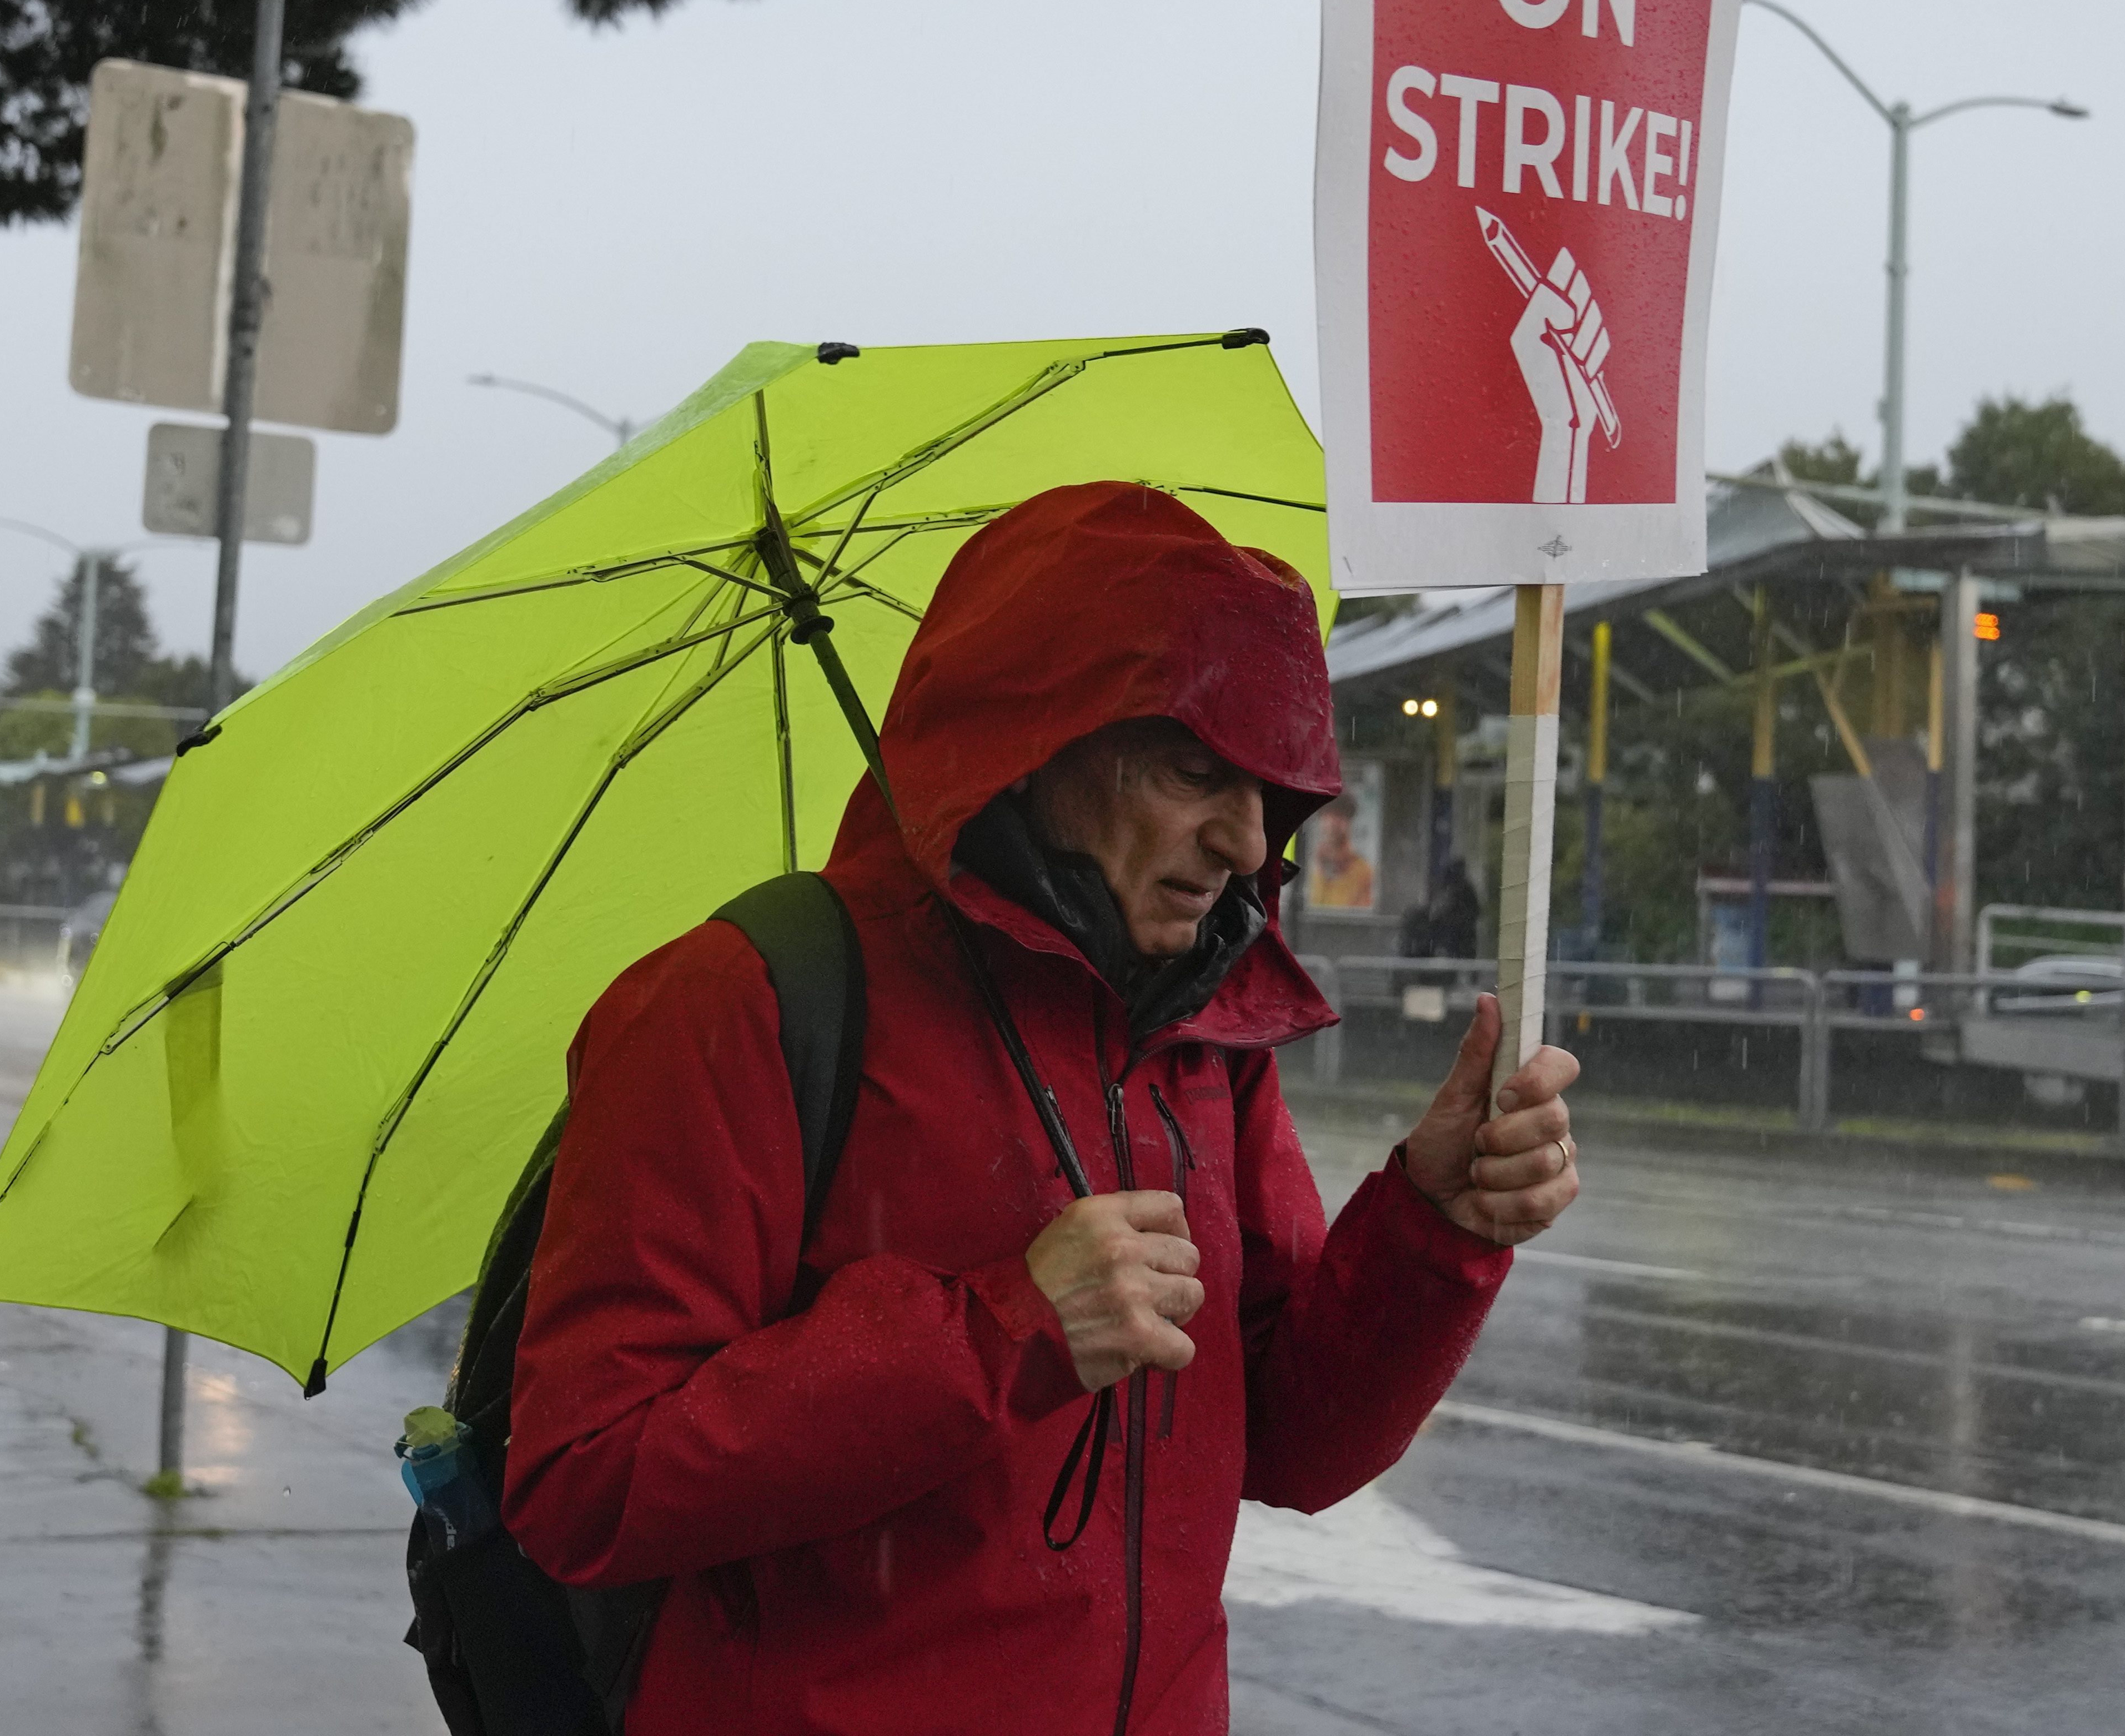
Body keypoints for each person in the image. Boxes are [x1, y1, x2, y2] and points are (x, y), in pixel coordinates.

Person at [503, 484, 1583, 1735]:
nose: (1245, 841)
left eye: (1277, 796)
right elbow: (588, 1480)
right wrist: (1002, 1329)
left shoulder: (1204, 1035)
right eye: (1194, 769)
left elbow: (1290, 1441)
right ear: (1043, 736)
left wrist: (1433, 1229)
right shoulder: (738, 1003)